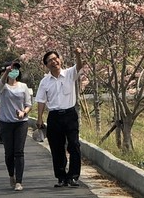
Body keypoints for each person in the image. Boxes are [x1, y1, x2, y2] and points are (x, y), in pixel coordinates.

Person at [35, 47, 83, 188]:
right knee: (57, 148)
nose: (54, 62)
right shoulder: (45, 82)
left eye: (56, 59)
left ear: (60, 60)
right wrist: (39, 118)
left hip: (70, 114)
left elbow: (79, 66)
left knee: (74, 145)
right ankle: (61, 177)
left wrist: (78, 55)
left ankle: (73, 177)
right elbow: (41, 100)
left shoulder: (69, 74)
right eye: (50, 60)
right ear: (46, 65)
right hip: (54, 116)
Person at [0, 61, 32, 191]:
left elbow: (28, 104)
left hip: (21, 123)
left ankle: (19, 181)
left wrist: (24, 112)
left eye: (16, 69)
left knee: (19, 152)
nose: (14, 71)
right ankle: (11, 175)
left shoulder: (23, 86)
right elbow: (0, 85)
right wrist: (6, 72)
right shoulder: (2, 86)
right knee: (9, 153)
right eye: (13, 69)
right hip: (6, 123)